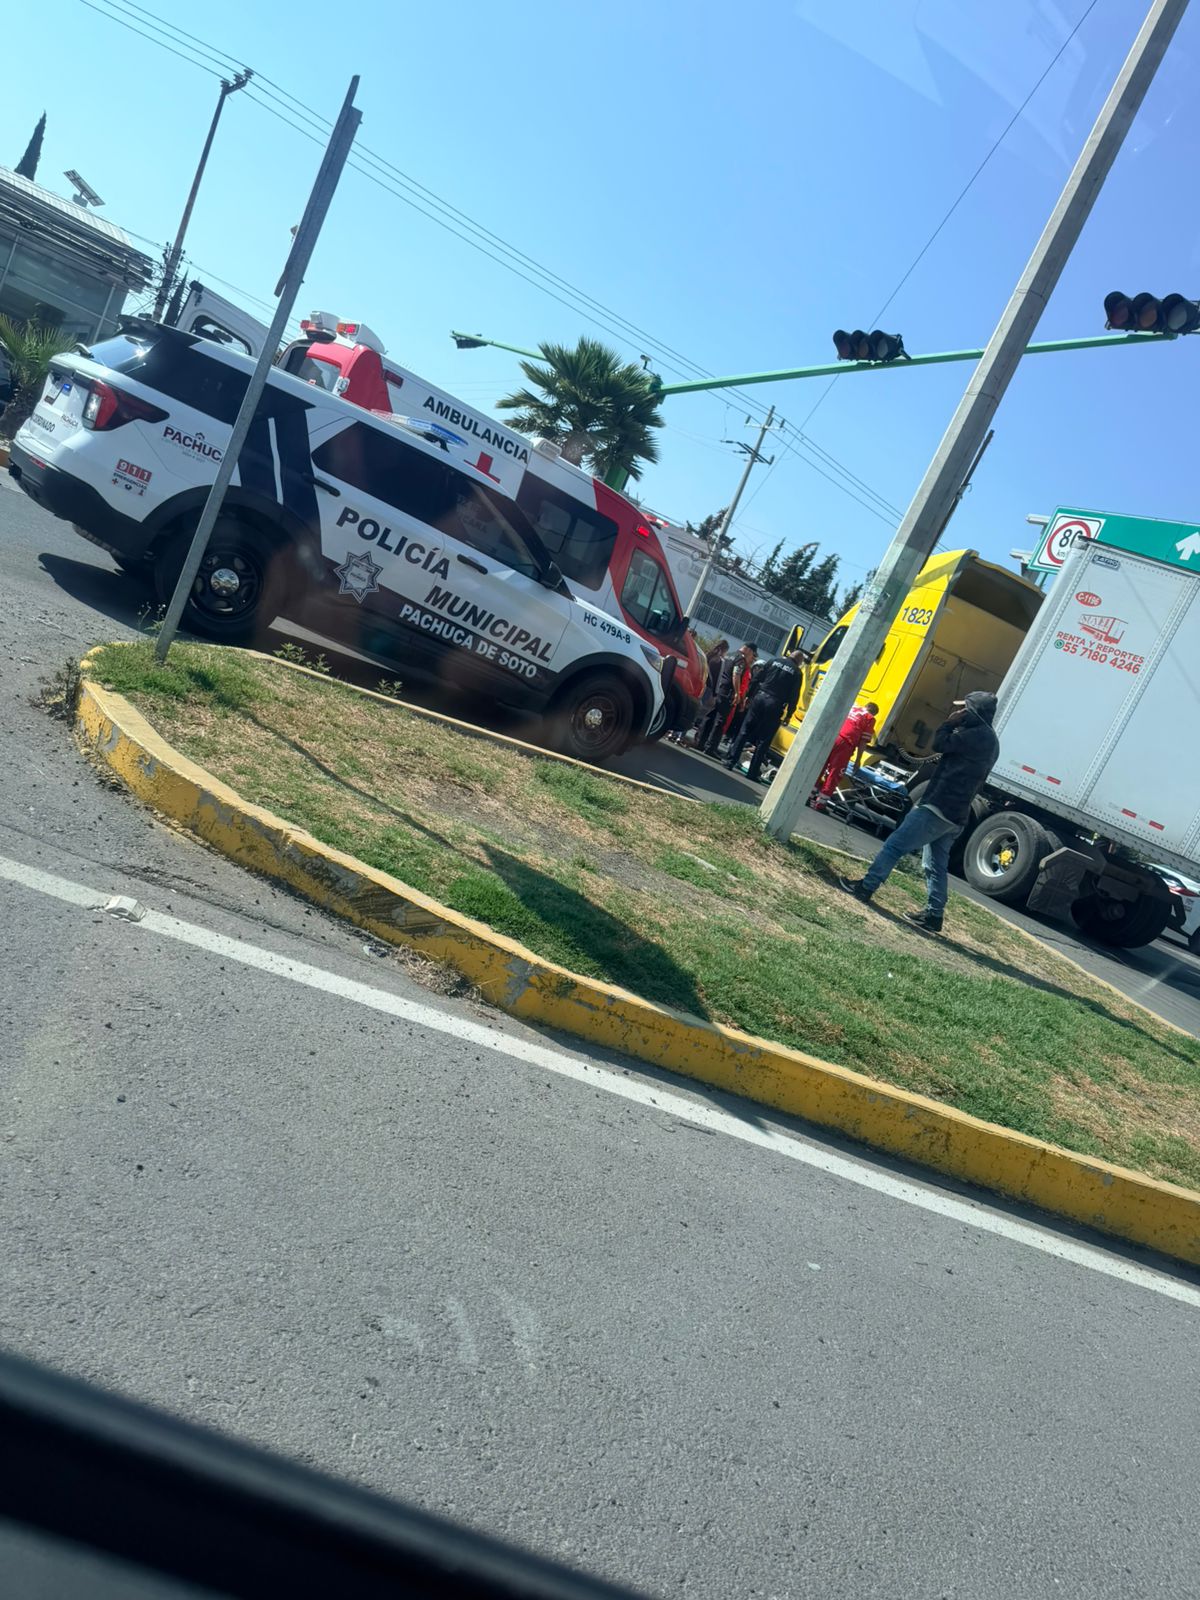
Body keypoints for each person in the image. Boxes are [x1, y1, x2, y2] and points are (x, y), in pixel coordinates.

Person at [839, 690, 1000, 934]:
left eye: (963, 709)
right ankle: (934, 915)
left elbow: (939, 744)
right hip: (957, 812)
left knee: (895, 845)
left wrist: (949, 723)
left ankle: (866, 887)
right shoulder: (991, 741)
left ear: (973, 711)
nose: (959, 712)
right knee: (935, 863)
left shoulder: (973, 735)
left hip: (939, 805)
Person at [724, 649, 806, 783]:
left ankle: (730, 761)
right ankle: (752, 772)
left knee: (744, 731)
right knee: (764, 740)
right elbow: (794, 696)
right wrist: (789, 714)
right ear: (799, 661)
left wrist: (749, 696)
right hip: (775, 704)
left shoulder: (774, 661)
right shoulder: (797, 672)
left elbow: (757, 678)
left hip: (760, 698)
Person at [812, 701, 879, 811]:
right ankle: (820, 803)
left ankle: (807, 794)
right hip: (845, 743)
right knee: (835, 773)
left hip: (833, 736)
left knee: (820, 766)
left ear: (865, 706)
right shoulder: (870, 718)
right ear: (874, 713)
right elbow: (863, 742)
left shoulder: (853, 707)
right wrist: (858, 760)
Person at [698, 643, 754, 756]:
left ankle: (700, 741)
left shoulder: (730, 654)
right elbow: (736, 675)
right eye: (752, 653)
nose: (751, 656)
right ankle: (710, 747)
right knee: (720, 721)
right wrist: (737, 693)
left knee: (710, 716)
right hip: (728, 692)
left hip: (719, 689)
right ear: (748, 650)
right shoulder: (740, 660)